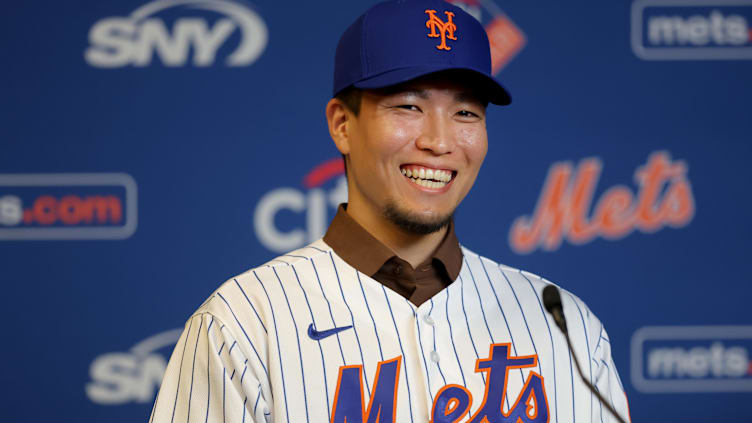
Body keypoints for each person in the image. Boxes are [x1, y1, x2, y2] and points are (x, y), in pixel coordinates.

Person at [150, 1, 631, 422]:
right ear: (342, 124)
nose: (440, 142)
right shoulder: (244, 322)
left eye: (466, 113)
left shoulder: (564, 324)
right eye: (407, 106)